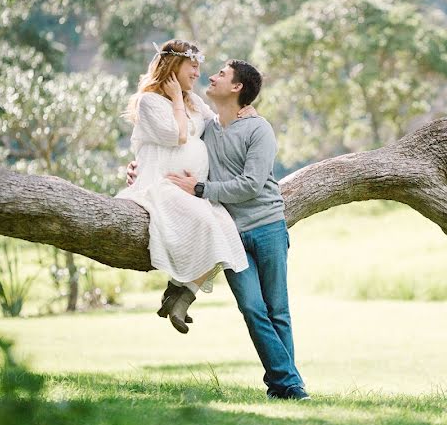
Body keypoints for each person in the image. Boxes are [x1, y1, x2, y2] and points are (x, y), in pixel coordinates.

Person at [128, 57, 309, 401]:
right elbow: (174, 150)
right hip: (230, 234)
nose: (211, 77)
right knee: (253, 308)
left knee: (278, 310)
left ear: (237, 88)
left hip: (267, 226)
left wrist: (200, 189)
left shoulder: (259, 129)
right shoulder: (208, 128)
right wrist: (140, 169)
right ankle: (289, 384)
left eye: (222, 74)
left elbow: (252, 184)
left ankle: (284, 386)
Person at [116, 39, 249, 334]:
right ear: (174, 65)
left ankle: (181, 295)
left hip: (192, 189)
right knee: (208, 225)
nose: (198, 72)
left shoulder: (193, 101)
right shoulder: (149, 101)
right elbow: (175, 136)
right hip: (162, 186)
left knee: (227, 230)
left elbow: (216, 123)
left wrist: (245, 111)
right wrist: (176, 98)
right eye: (193, 65)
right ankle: (178, 292)